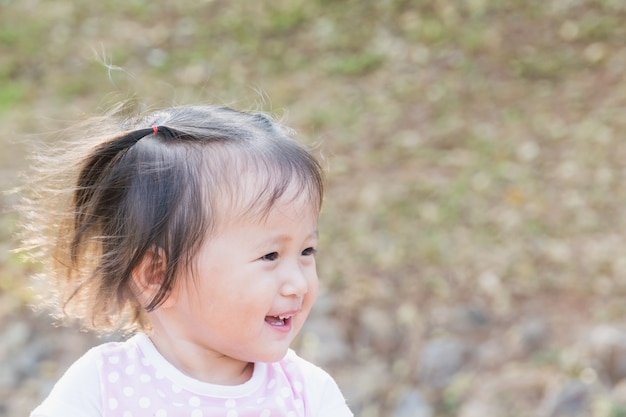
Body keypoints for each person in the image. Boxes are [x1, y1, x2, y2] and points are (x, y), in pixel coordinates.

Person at [24, 104, 354, 416]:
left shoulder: (307, 395)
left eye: (306, 252)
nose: (298, 283)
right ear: (156, 275)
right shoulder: (101, 387)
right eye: (270, 255)